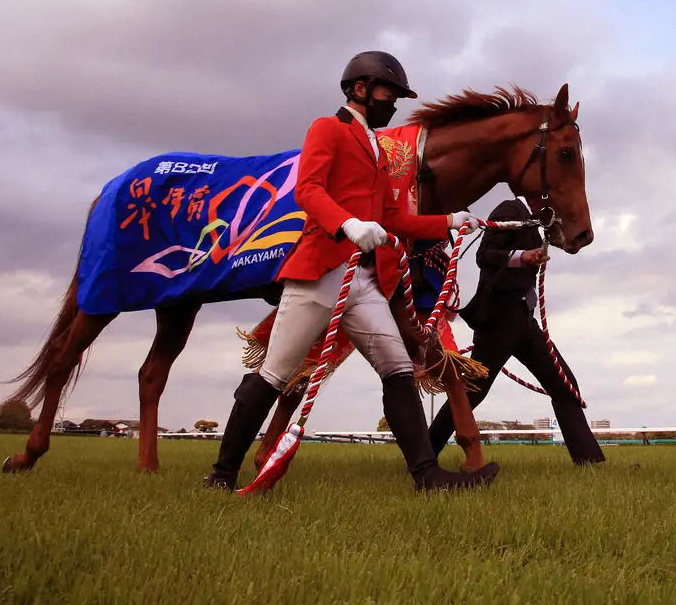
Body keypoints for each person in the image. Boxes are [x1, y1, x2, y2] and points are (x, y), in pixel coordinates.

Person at [205, 51, 500, 492]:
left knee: (398, 368)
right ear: (360, 90)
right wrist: (347, 223)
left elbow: (394, 219)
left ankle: (428, 476)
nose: (394, 103)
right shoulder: (328, 129)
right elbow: (308, 188)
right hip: (320, 274)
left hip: (363, 282)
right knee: (275, 374)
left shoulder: (378, 149)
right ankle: (222, 475)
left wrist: (449, 221)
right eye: (389, 93)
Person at [428, 197, 605, 466]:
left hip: (524, 322)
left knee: (564, 384)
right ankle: (424, 454)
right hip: (498, 321)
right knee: (472, 392)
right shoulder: (510, 210)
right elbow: (483, 255)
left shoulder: (535, 221)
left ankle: (590, 462)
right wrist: (522, 257)